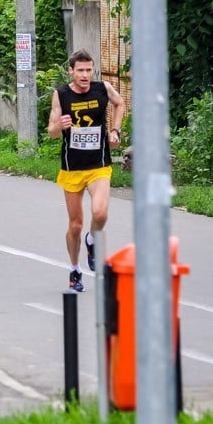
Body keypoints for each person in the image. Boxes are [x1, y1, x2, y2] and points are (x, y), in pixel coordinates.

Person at [46, 48, 126, 293]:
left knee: (100, 214)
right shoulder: (61, 95)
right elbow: (51, 132)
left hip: (99, 164)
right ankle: (74, 269)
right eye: (80, 70)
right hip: (72, 168)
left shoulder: (103, 88)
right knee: (76, 225)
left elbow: (120, 103)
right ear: (71, 71)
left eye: (88, 70)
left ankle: (93, 240)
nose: (84, 75)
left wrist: (115, 131)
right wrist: (60, 124)